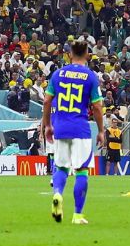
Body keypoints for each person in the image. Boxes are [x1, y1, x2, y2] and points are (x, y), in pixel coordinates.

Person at [42, 40, 105, 225]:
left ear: (69, 54)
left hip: (60, 127)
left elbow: (46, 101)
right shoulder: (90, 76)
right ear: (87, 54)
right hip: (81, 128)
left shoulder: (57, 74)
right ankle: (77, 215)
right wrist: (101, 130)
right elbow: (97, 107)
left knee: (61, 167)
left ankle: (57, 194)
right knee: (81, 171)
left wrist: (47, 125)